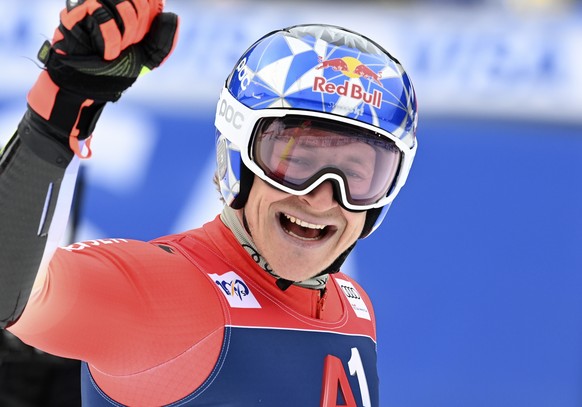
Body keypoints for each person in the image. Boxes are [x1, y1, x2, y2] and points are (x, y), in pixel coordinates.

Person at [0, 0, 418, 405]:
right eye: (297, 162)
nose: (324, 196)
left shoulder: (354, 308)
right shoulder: (170, 294)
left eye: (359, 175)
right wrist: (58, 116)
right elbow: (13, 296)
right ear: (238, 157)